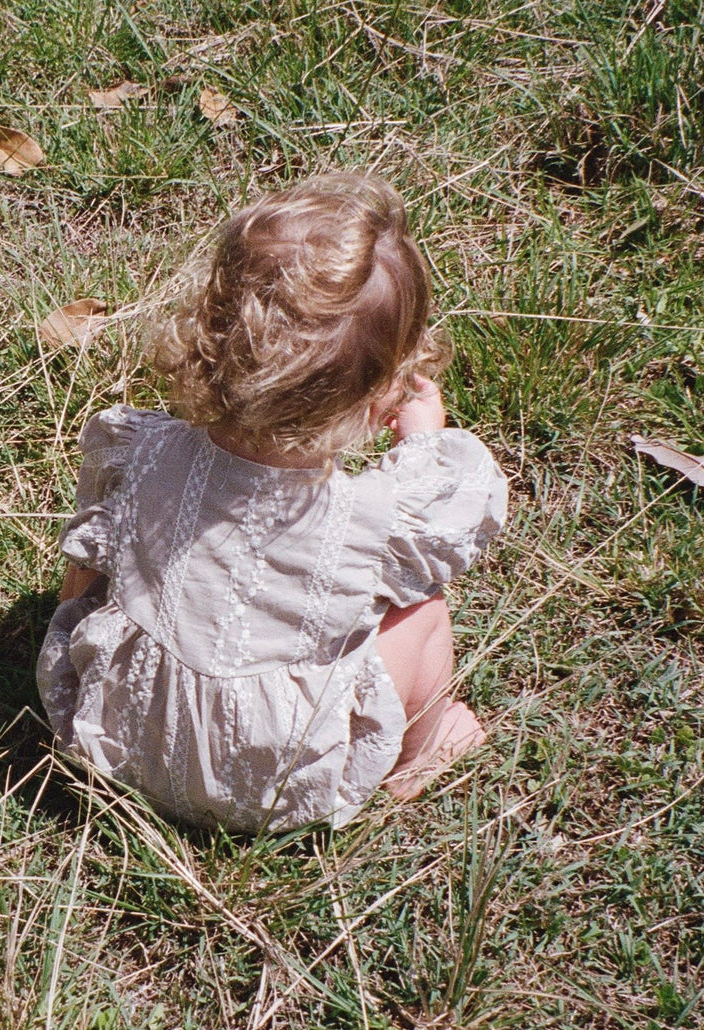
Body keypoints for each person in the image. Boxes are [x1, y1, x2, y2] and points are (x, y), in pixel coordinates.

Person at [37, 173, 507, 833]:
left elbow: (84, 572)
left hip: (118, 747)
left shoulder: (133, 449)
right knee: (423, 610)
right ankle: (424, 749)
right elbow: (449, 501)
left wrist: (68, 672)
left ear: (209, 333)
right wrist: (425, 440)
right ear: (381, 396)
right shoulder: (375, 519)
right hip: (279, 784)